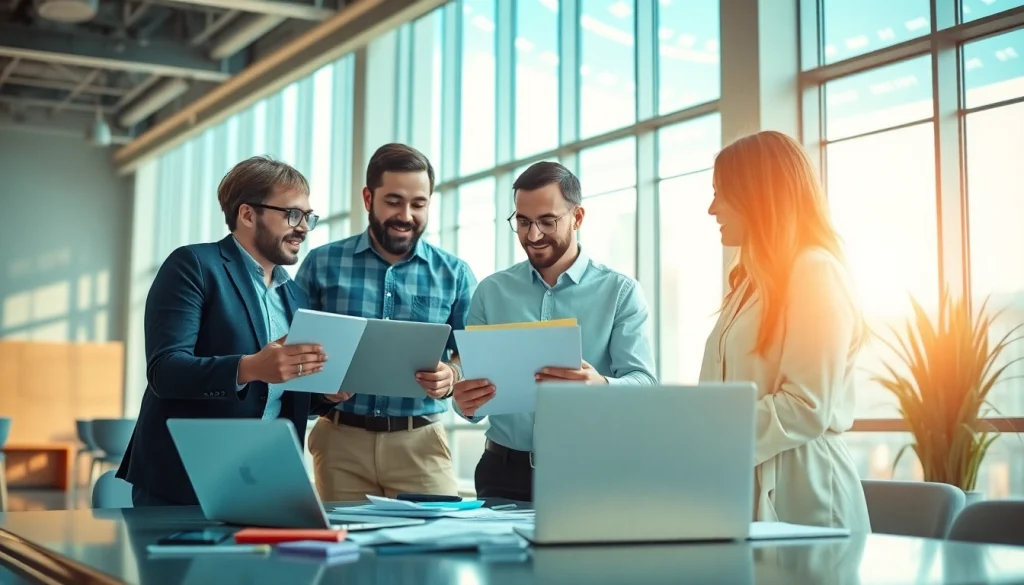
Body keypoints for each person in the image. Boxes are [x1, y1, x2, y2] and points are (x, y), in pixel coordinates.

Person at [117, 156, 347, 507]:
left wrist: (325, 396)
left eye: (308, 217)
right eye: (292, 214)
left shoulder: (296, 295)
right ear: (247, 214)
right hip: (185, 477)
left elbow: (280, 393)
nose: (303, 227)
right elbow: (165, 370)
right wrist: (250, 367)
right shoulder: (194, 266)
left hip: (265, 477)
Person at [451, 161, 658, 501]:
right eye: (522, 222)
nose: (533, 235)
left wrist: (601, 385)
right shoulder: (491, 291)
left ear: (577, 218)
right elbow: (470, 399)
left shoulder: (620, 292)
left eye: (548, 221)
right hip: (502, 472)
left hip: (588, 474)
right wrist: (465, 402)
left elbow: (644, 383)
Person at [699, 130, 871, 531]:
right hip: (747, 481)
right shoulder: (747, 284)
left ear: (759, 196)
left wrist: (706, 431)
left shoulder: (815, 271)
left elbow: (807, 406)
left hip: (806, 492)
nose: (712, 209)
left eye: (721, 193)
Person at [296, 143, 476, 502]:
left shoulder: (454, 274)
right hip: (339, 443)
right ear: (368, 198)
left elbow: (473, 354)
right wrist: (318, 387)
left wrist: (451, 376)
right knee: (348, 554)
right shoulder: (321, 263)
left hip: (420, 443)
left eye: (418, 204)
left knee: (431, 553)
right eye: (393, 201)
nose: (406, 215)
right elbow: (289, 346)